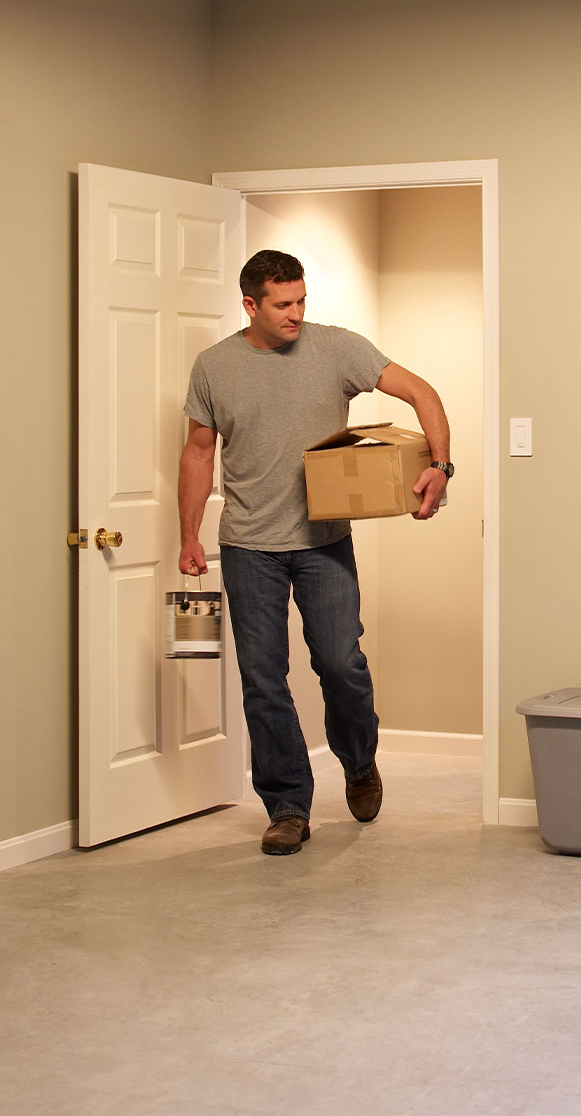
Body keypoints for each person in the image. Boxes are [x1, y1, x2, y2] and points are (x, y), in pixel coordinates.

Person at [177, 250, 453, 857]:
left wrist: (441, 466)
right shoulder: (214, 366)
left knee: (340, 664)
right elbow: (198, 452)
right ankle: (287, 807)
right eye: (283, 304)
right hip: (249, 546)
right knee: (262, 678)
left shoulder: (338, 349)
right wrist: (189, 535)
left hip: (325, 542)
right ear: (250, 304)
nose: (297, 313)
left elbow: (421, 392)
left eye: (302, 300)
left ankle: (359, 762)